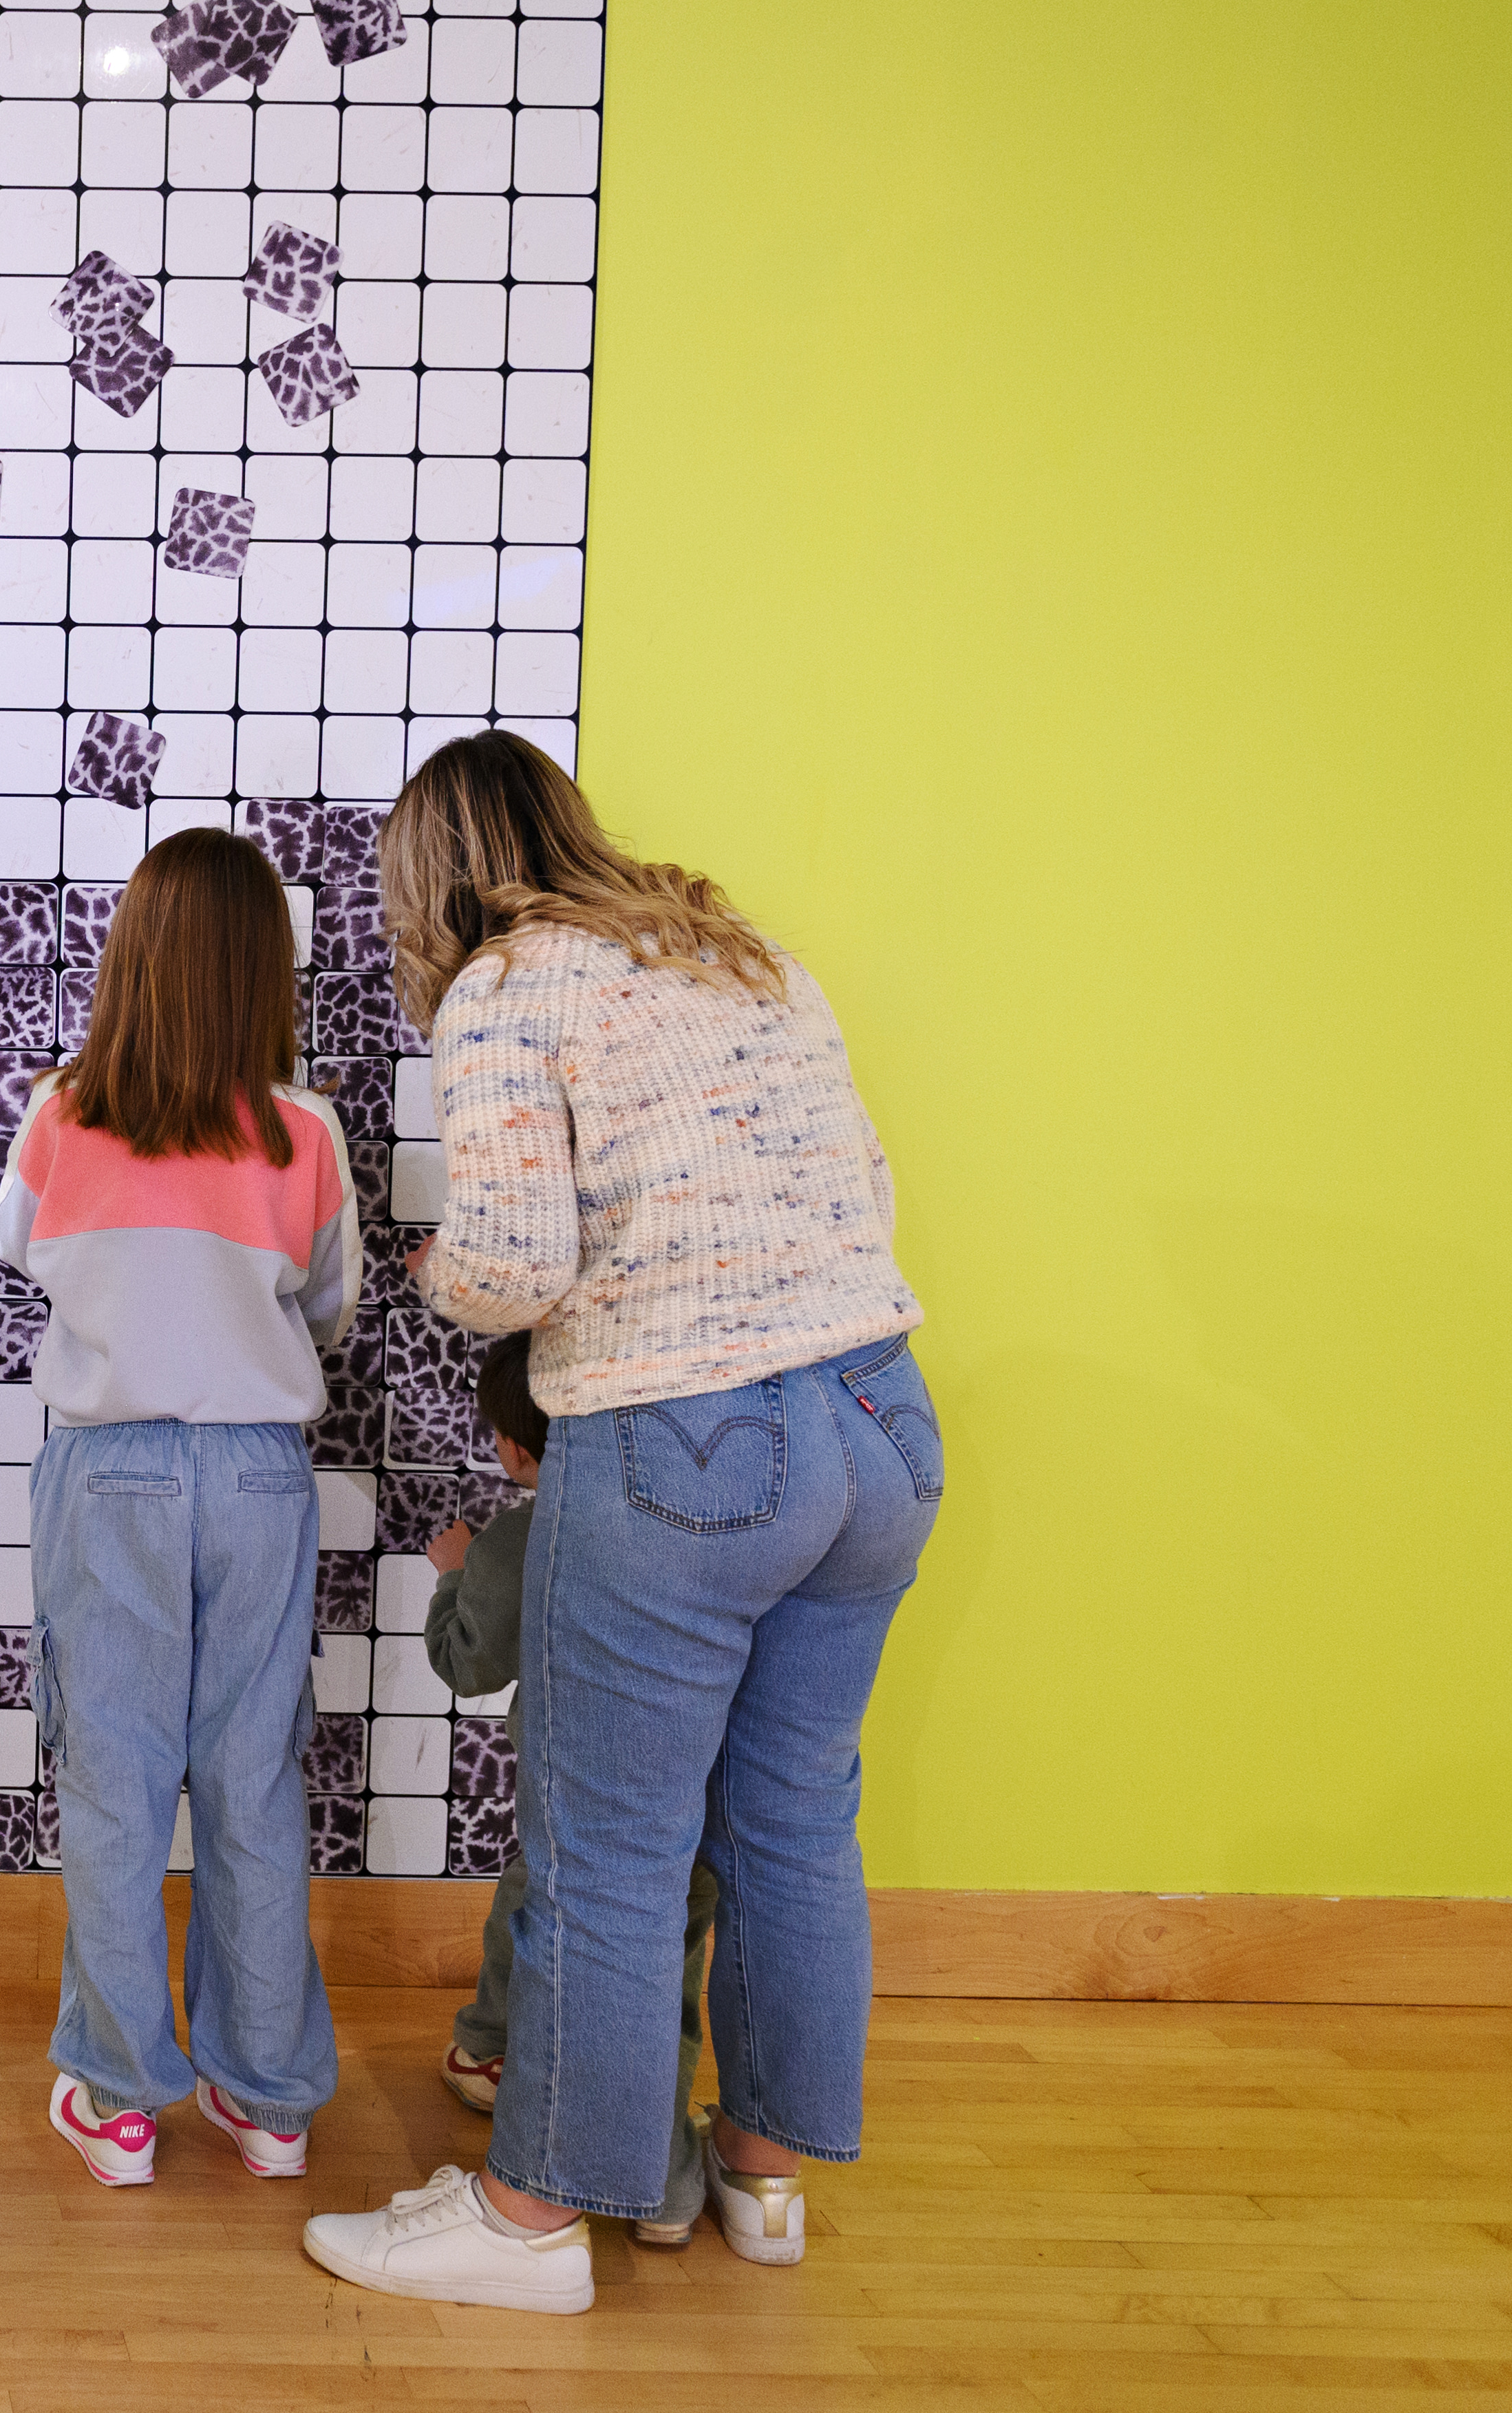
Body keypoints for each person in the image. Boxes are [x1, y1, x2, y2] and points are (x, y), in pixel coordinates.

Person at [304, 732, 940, 2317]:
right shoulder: (743, 954)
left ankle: (527, 2217)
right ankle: (765, 2177)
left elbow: (511, 1261)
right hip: (876, 1414)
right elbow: (859, 1178)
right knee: (792, 1821)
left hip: (681, 1435)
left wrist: (416, 1268)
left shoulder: (508, 984)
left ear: (427, 880)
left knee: (607, 1846)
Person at [0, 825, 359, 2191]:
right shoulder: (304, 1131)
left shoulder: (59, 1112)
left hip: (111, 1472)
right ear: (269, 969)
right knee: (252, 1779)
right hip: (258, 1476)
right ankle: (264, 2100)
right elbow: (325, 1301)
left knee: (115, 1782)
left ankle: (120, 2096)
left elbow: (18, 1250)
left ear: (128, 960)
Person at [423, 1330, 720, 2244]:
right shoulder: (693, 1517)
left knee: (539, 1915)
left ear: (514, 1448)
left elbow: (464, 1663)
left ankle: (487, 2049)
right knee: (668, 1966)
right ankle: (667, 2188)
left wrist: (454, 1576)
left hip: (576, 1791)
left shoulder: (523, 1535)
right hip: (706, 1790)